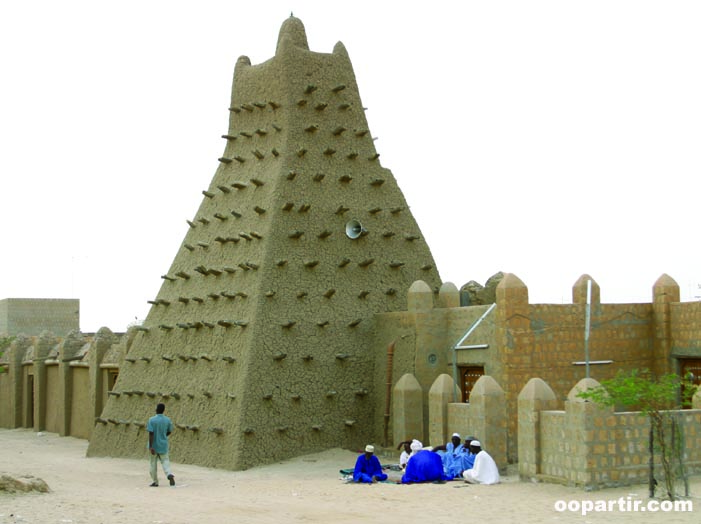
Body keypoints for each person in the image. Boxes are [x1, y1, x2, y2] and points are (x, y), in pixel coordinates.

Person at [147, 403, 175, 487]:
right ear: (163, 410)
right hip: (163, 444)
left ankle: (155, 482)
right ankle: (169, 474)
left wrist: (151, 446)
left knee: (153, 464)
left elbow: (151, 433)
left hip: (154, 446)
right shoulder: (167, 420)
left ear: (156, 409)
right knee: (165, 461)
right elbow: (170, 430)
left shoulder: (151, 420)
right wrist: (163, 435)